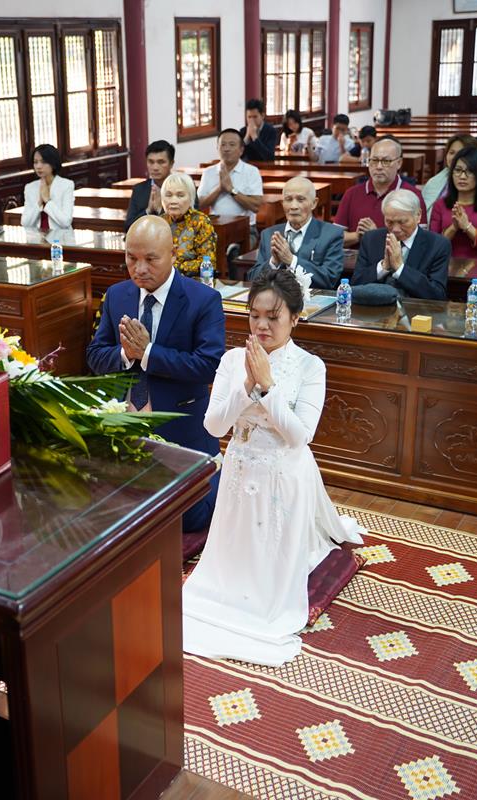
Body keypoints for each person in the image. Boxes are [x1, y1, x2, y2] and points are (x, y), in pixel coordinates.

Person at [181, 268, 363, 667]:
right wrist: (246, 386)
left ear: (295, 318)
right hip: (239, 468)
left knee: (272, 571)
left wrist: (268, 386)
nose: (261, 325)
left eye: (273, 317)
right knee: (229, 560)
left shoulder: (310, 366)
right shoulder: (233, 360)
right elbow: (214, 427)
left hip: (285, 473)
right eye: (254, 316)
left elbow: (300, 436)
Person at [86, 215, 225, 532]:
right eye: (131, 258)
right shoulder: (117, 295)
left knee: (188, 520)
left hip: (180, 425)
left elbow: (208, 365)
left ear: (173, 253)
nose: (139, 268)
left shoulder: (203, 300)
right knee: (105, 513)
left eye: (150, 259)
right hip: (124, 423)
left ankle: (218, 481)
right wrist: (125, 354)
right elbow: (94, 355)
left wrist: (148, 353)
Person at [351, 189, 449, 300]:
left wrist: (400, 268)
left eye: (402, 222)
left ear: (418, 216)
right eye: (389, 222)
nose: (395, 229)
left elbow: (437, 294)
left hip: (415, 308)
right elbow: (355, 285)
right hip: (374, 307)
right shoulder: (371, 239)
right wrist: (383, 267)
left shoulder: (438, 245)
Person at [250, 176, 345, 289]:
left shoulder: (331, 234)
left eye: (300, 199)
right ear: (282, 203)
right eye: (288, 199)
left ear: (314, 203)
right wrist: (273, 263)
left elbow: (329, 279)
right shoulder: (269, 234)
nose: (293, 206)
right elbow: (253, 278)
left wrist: (292, 261)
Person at [334, 136, 426, 246]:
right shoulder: (352, 194)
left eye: (386, 161)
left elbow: (421, 243)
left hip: (398, 256)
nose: (379, 167)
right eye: (374, 160)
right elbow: (334, 238)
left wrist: (376, 236)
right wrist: (358, 235)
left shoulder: (413, 195)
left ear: (399, 163)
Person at [428, 147, 477, 259]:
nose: (462, 176)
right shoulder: (440, 205)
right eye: (458, 170)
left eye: (470, 171)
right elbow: (432, 247)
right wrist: (453, 228)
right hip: (444, 266)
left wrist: (467, 227)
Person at [199, 128, 264, 222]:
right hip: (216, 225)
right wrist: (220, 189)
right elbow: (199, 205)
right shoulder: (208, 172)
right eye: (223, 145)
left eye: (232, 145)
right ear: (217, 148)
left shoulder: (252, 171)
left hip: (244, 226)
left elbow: (255, 207)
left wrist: (231, 190)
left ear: (241, 150)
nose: (227, 149)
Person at [160, 172, 216, 277]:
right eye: (168, 195)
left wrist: (172, 267)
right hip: (161, 279)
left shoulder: (201, 221)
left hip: (191, 280)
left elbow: (208, 263)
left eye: (180, 195)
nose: (173, 201)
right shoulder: (159, 222)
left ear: (191, 198)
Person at [126, 139, 178, 231]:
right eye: (151, 162)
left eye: (161, 162)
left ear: (171, 163)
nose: (155, 167)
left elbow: (192, 225)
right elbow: (128, 227)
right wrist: (148, 211)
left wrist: (160, 210)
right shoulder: (139, 189)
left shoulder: (183, 188)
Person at [20, 143, 74, 231]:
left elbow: (66, 222)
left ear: (53, 163)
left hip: (60, 237)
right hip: (37, 237)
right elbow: (25, 223)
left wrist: (47, 201)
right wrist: (39, 203)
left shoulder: (66, 185)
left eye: (43, 162)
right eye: (35, 162)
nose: (38, 166)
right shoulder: (30, 188)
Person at [240, 98, 280, 163]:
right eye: (249, 117)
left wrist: (254, 137)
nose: (252, 120)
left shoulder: (271, 131)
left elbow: (270, 157)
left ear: (262, 116)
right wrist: (246, 138)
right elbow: (238, 156)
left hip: (265, 166)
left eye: (255, 117)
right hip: (248, 166)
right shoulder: (243, 131)